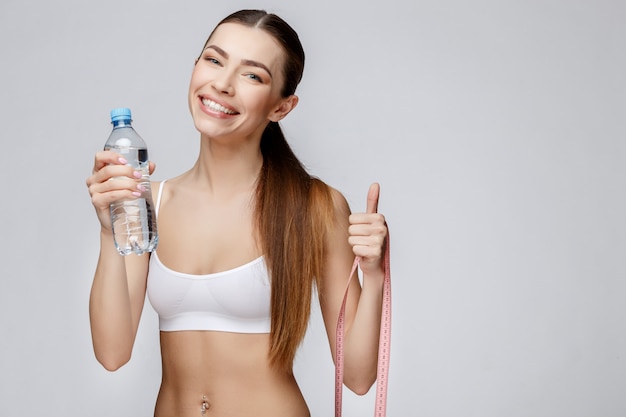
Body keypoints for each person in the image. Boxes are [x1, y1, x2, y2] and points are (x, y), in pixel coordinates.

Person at [86, 9, 388, 417]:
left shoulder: (313, 207)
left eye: (252, 75)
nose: (222, 84)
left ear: (282, 107)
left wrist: (373, 274)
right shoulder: (150, 201)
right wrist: (109, 231)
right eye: (214, 59)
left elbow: (357, 377)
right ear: (195, 67)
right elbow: (112, 352)